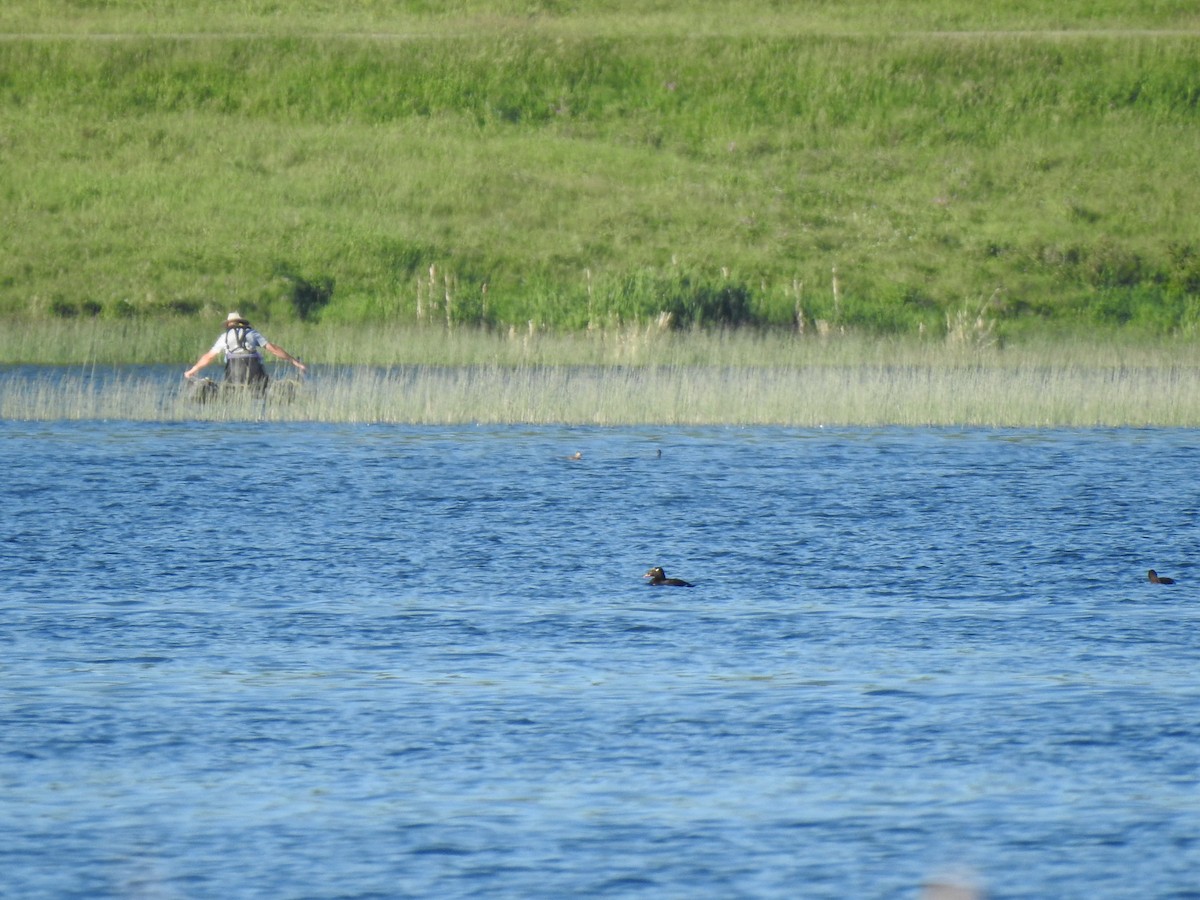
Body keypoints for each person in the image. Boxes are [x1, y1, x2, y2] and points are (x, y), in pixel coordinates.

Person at [184, 311, 306, 390]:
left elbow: (209, 357)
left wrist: (192, 371)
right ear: (241, 323)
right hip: (257, 377)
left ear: (228, 325)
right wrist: (294, 361)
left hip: (233, 378)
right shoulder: (252, 333)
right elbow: (273, 349)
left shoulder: (224, 337)